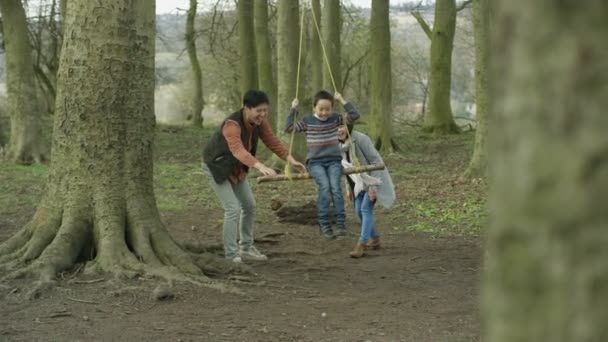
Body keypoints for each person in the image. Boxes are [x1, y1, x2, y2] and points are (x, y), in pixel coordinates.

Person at [203, 90, 306, 263]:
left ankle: (246, 248)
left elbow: (272, 141)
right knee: (232, 208)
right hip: (216, 167)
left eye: (265, 110)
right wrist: (260, 166)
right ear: (247, 108)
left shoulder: (260, 122)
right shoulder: (232, 125)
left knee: (249, 206)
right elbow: (238, 150)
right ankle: (231, 255)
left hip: (237, 169)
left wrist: (290, 159)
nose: (263, 114)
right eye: (259, 110)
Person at [285, 90, 360, 240]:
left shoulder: (335, 118)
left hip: (333, 161)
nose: (324, 112)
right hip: (315, 163)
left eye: (328, 109)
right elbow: (288, 128)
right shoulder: (307, 121)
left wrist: (342, 100)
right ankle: (324, 225)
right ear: (314, 108)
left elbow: (354, 116)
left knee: (336, 189)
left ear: (332, 108)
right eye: (321, 109)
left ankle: (340, 225)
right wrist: (293, 109)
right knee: (325, 188)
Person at [338, 123, 396, 258]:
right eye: (334, 127)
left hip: (373, 178)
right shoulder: (336, 144)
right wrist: (348, 188)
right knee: (358, 211)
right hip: (356, 182)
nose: (338, 130)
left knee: (365, 209)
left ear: (348, 126)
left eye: (341, 126)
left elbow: (376, 162)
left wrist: (373, 187)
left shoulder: (361, 139)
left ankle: (362, 244)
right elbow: (345, 167)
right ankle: (375, 239)